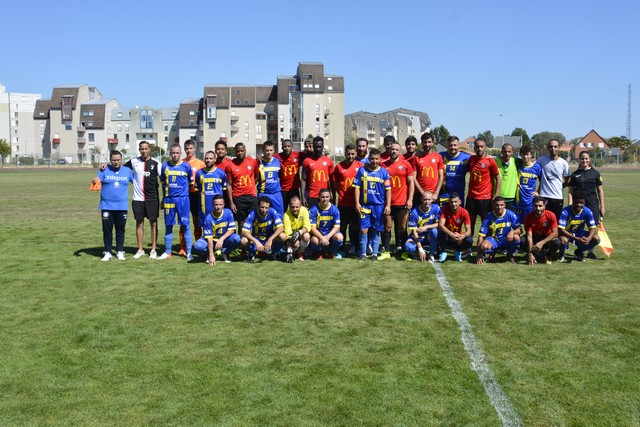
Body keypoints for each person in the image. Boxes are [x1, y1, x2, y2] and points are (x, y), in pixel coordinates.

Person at [92, 150, 134, 261]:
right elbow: (97, 178)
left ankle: (120, 251)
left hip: (122, 207)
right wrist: (95, 180)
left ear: (122, 160)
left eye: (118, 160)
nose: (116, 162)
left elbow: (137, 182)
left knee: (120, 230)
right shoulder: (104, 169)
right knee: (107, 231)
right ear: (110, 160)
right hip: (107, 206)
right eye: (114, 160)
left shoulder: (127, 171)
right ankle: (108, 252)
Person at [124, 140, 161, 259]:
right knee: (139, 223)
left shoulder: (156, 163)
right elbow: (121, 169)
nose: (144, 151)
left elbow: (164, 178)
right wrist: (106, 166)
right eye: (142, 149)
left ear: (149, 149)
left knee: (153, 223)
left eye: (146, 148)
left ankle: (153, 250)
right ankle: (140, 249)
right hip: (138, 198)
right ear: (139, 150)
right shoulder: (134, 161)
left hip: (152, 199)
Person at [353, 148, 391, 261]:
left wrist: (388, 205)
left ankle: (374, 254)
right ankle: (363, 254)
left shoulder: (384, 173)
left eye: (376, 159)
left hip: (378, 206)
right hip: (365, 205)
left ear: (380, 159)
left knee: (375, 230)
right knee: (363, 230)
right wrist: (357, 203)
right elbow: (357, 188)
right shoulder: (362, 170)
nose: (374, 161)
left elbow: (388, 190)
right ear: (369, 159)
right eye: (372, 159)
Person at [159, 144, 194, 260]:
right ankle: (167, 252)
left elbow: (191, 183)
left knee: (185, 225)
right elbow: (163, 184)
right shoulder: (165, 166)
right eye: (173, 153)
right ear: (170, 153)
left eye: (177, 153)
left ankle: (189, 253)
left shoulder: (186, 166)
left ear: (180, 153)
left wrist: (182, 193)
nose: (175, 155)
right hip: (169, 199)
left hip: (183, 199)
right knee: (168, 225)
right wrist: (164, 198)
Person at [381, 140, 415, 256]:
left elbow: (411, 183)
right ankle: (386, 251)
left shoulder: (406, 164)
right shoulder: (383, 165)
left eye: (396, 150)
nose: (394, 151)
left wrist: (410, 199)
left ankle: (404, 251)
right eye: (392, 149)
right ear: (389, 150)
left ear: (400, 151)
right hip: (387, 203)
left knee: (402, 227)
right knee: (387, 227)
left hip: (402, 202)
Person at [332, 144, 362, 256]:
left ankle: (357, 248)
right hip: (343, 203)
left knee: (356, 227)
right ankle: (341, 249)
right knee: (342, 227)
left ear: (356, 154)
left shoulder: (360, 166)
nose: (350, 156)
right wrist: (340, 192)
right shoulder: (339, 167)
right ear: (345, 153)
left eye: (353, 154)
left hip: (356, 203)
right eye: (348, 154)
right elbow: (335, 183)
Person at [467, 138, 501, 238]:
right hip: (471, 196)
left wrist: (496, 195)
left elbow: (498, 178)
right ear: (474, 148)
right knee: (470, 221)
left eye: (481, 146)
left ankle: (485, 243)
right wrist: (461, 150)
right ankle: (469, 243)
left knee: (485, 222)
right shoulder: (471, 159)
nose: (479, 148)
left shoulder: (490, 161)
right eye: (477, 146)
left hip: (485, 197)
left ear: (485, 147)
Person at [192, 195, 241, 265]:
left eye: (220, 204)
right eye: (216, 205)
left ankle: (225, 252)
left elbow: (232, 230)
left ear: (224, 205)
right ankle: (209, 255)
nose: (218, 207)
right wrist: (211, 255)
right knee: (198, 246)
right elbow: (209, 238)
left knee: (237, 238)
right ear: (212, 205)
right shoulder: (208, 218)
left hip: (223, 240)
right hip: (212, 240)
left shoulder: (228, 212)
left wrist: (221, 239)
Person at [180, 139, 206, 256]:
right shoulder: (181, 162)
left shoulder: (201, 164)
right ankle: (183, 247)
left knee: (197, 222)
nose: (189, 151)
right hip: (184, 195)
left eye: (191, 148)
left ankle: (198, 245)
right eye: (187, 148)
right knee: (184, 221)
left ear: (195, 149)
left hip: (197, 195)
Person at [476, 196, 521, 265]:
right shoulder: (488, 217)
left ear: (505, 205)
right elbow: (481, 236)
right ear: (493, 205)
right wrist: (478, 254)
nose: (499, 207)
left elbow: (520, 230)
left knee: (516, 237)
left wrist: (512, 232)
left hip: (505, 239)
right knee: (484, 246)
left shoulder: (510, 214)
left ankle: (510, 255)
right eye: (497, 205)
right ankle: (491, 252)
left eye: (501, 205)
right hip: (493, 240)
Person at [240, 196, 286, 262]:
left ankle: (274, 252)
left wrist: (270, 239)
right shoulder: (253, 213)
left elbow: (281, 228)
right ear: (258, 206)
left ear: (269, 207)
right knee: (243, 240)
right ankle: (252, 252)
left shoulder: (272, 211)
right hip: (256, 239)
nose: (264, 210)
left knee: (283, 236)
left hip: (268, 239)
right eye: (262, 207)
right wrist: (256, 241)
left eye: (266, 208)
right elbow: (244, 231)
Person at [225, 142, 259, 230]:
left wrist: (251, 185)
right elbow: (229, 185)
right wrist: (231, 203)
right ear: (235, 152)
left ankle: (253, 239)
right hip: (238, 197)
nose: (240, 153)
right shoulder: (230, 166)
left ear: (245, 151)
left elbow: (256, 176)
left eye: (242, 151)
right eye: (238, 151)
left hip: (251, 196)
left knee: (254, 221)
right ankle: (241, 239)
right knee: (241, 222)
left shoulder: (253, 162)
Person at [557, 192, 599, 262]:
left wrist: (588, 239)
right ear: (573, 202)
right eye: (577, 202)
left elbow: (593, 228)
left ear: (584, 203)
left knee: (596, 238)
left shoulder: (587, 211)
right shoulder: (565, 211)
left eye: (581, 203)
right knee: (564, 240)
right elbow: (561, 229)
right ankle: (561, 254)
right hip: (566, 233)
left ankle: (579, 251)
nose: (579, 205)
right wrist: (577, 239)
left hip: (578, 233)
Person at [568, 151, 605, 226]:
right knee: (577, 226)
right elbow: (570, 192)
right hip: (578, 202)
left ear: (589, 159)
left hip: (592, 202)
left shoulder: (595, 173)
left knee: (594, 226)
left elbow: (600, 191)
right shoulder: (574, 174)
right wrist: (570, 205)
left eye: (586, 159)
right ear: (579, 160)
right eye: (582, 159)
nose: (584, 161)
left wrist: (602, 207)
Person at [537, 139, 570, 221]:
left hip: (557, 197)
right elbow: (532, 168)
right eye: (551, 146)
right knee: (543, 221)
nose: (553, 148)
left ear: (559, 148)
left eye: (555, 146)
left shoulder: (563, 163)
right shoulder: (541, 161)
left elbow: (567, 180)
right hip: (544, 196)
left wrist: (559, 187)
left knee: (555, 221)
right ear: (548, 148)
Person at [524, 196, 563, 266]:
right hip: (534, 238)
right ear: (532, 206)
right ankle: (532, 254)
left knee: (557, 242)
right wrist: (530, 253)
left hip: (546, 238)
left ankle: (548, 255)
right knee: (522, 240)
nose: (538, 208)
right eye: (535, 206)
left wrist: (541, 243)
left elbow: (555, 233)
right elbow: (529, 236)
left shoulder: (551, 215)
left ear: (544, 206)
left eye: (540, 206)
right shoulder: (528, 217)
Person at [195, 150, 227, 231]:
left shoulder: (221, 173)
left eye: (210, 158)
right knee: (206, 230)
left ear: (215, 159)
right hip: (204, 206)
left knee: (219, 228)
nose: (208, 160)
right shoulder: (199, 173)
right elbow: (198, 190)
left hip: (217, 206)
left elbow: (224, 190)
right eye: (206, 158)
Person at [405, 191, 440, 262]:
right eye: (425, 199)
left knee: (434, 231)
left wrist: (426, 227)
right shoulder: (414, 211)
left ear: (432, 200)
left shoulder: (436, 208)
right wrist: (420, 249)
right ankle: (423, 251)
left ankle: (431, 253)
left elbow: (439, 224)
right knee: (408, 246)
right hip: (418, 236)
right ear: (421, 199)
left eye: (429, 199)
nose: (427, 202)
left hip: (429, 236)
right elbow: (414, 232)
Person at [437, 192, 473, 262]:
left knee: (469, 239)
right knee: (440, 232)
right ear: (449, 203)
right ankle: (443, 251)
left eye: (455, 202)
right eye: (451, 202)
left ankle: (457, 250)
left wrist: (462, 236)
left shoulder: (464, 212)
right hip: (447, 236)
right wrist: (452, 235)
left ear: (460, 202)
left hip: (458, 237)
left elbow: (469, 231)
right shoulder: (445, 209)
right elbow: (441, 225)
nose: (453, 204)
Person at [309, 188, 343, 259]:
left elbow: (336, 227)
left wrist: (328, 237)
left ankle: (330, 252)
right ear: (319, 197)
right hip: (319, 234)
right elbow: (313, 228)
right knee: (314, 240)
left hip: (330, 234)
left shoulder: (334, 209)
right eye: (323, 197)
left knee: (339, 237)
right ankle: (319, 253)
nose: (325, 199)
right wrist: (322, 238)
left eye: (327, 197)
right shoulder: (313, 210)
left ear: (330, 197)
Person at [301, 136, 334, 208]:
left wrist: (333, 195)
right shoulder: (307, 161)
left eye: (320, 147)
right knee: (312, 215)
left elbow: (332, 180)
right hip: (312, 196)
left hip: (325, 196)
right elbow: (303, 180)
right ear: (313, 146)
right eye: (316, 147)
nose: (318, 149)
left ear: (323, 147)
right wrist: (303, 197)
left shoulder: (329, 161)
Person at [439, 135, 470, 206]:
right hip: (444, 193)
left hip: (459, 193)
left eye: (455, 145)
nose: (453, 147)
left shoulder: (466, 157)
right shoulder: (441, 156)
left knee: (458, 213)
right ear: (447, 146)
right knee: (443, 212)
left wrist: (487, 156)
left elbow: (478, 157)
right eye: (450, 145)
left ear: (459, 146)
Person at [414, 132, 444, 206]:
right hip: (420, 193)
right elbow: (413, 178)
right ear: (422, 143)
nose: (427, 144)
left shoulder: (438, 157)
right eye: (425, 142)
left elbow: (441, 176)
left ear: (433, 143)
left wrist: (436, 193)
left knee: (435, 213)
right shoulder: (416, 157)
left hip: (434, 194)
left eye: (429, 142)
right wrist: (422, 192)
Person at [515, 145, 542, 223]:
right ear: (520, 155)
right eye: (523, 154)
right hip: (518, 200)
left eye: (527, 154)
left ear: (531, 155)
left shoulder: (537, 167)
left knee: (530, 222)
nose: (525, 157)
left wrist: (537, 192)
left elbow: (542, 181)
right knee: (517, 223)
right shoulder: (518, 165)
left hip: (530, 200)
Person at [257, 140, 284, 216]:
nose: (269, 152)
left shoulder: (277, 161)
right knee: (262, 216)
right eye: (267, 150)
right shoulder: (258, 162)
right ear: (263, 150)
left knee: (279, 216)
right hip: (263, 193)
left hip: (276, 193)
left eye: (271, 150)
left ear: (274, 150)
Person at [282, 195, 311, 262]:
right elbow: (288, 233)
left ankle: (300, 252)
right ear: (289, 206)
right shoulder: (286, 215)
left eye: (297, 207)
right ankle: (292, 252)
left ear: (300, 205)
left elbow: (307, 226)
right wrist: (289, 250)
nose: (295, 209)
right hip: (292, 236)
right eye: (293, 207)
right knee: (295, 244)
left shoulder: (304, 210)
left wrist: (299, 232)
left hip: (301, 234)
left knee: (306, 236)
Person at [275, 139, 302, 208]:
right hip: (283, 189)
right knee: (282, 210)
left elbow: (309, 156)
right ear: (282, 148)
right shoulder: (277, 157)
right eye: (285, 146)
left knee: (296, 209)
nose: (287, 148)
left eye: (288, 146)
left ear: (292, 147)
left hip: (294, 188)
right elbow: (267, 157)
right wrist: (259, 157)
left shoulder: (298, 155)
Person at [496, 143, 519, 211]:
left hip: (511, 197)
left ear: (512, 152)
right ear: (501, 152)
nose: (507, 154)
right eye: (505, 151)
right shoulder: (495, 161)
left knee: (509, 216)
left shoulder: (516, 162)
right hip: (498, 196)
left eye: (509, 151)